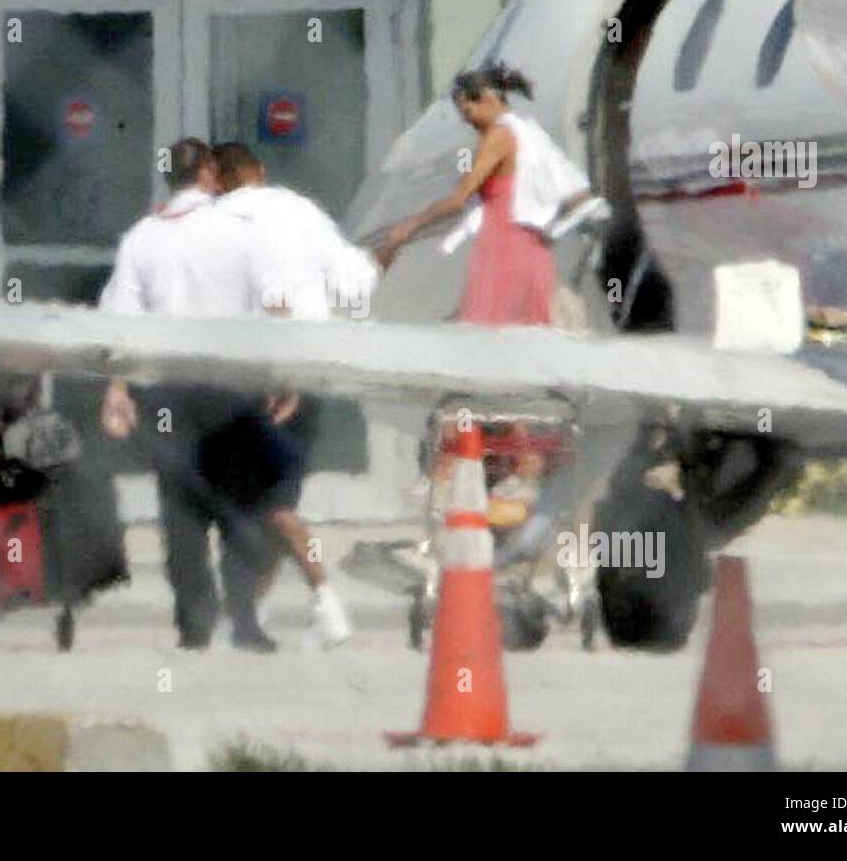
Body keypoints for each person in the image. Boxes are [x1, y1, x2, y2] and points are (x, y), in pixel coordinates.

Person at [98, 137, 294, 653]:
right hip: (233, 385)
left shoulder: (142, 238)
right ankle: (245, 619)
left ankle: (194, 621)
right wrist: (285, 375)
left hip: (168, 391)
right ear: (208, 171)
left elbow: (120, 319)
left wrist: (117, 387)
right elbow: (276, 304)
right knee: (242, 504)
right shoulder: (243, 231)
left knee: (181, 509)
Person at [213, 142, 380, 647]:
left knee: (264, 503)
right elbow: (353, 279)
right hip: (311, 368)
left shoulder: (220, 220)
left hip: (259, 374)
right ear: (259, 172)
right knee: (270, 500)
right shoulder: (301, 209)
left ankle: (325, 602)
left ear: (217, 181)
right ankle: (245, 619)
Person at [374, 62, 608, 324]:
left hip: (502, 251)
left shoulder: (498, 135)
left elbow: (459, 199)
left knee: (484, 334)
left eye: (467, 110)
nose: (466, 120)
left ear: (486, 98)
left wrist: (411, 225)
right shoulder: (528, 132)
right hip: (530, 249)